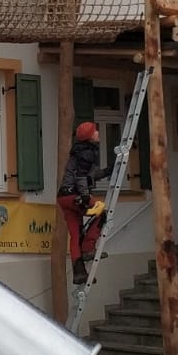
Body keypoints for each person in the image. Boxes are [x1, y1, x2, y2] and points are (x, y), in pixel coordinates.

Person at [57, 121, 110, 285]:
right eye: (95, 131)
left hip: (63, 198)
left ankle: (79, 273)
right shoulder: (87, 152)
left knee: (75, 235)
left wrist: (107, 172)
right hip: (75, 195)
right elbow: (81, 177)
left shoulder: (79, 152)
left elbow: (88, 176)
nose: (98, 133)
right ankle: (88, 247)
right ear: (89, 135)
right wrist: (86, 196)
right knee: (101, 211)